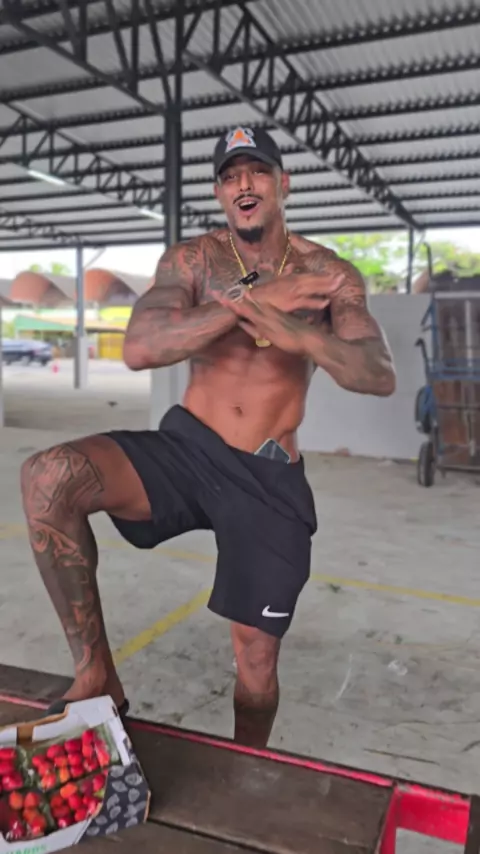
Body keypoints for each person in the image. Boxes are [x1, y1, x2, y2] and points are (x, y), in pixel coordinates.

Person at [20, 127, 396, 748]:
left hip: (267, 475)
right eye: (230, 176)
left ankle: (246, 763)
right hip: (188, 451)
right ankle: (96, 677)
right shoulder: (193, 260)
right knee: (48, 475)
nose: (243, 184)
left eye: (257, 171)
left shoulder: (328, 273)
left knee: (257, 665)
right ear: (221, 192)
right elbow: (140, 347)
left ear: (283, 183)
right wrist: (251, 299)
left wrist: (303, 335)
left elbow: (378, 373)